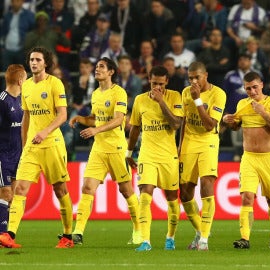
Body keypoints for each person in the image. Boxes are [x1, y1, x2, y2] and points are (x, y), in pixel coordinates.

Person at [0, 47, 74, 248]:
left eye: (37, 60)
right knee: (20, 189)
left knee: (60, 190)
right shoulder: (27, 86)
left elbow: (62, 115)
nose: (33, 63)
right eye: (31, 59)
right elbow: (26, 117)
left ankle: (68, 236)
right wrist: (24, 146)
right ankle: (9, 235)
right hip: (32, 148)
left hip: (52, 145)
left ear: (46, 63)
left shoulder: (55, 84)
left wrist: (45, 132)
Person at [68, 57, 141, 245]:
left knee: (126, 191)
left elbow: (119, 120)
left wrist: (96, 130)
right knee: (87, 188)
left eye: (101, 67)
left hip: (116, 148)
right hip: (98, 148)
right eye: (97, 66)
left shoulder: (119, 93)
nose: (97, 69)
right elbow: (96, 119)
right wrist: (80, 119)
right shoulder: (95, 94)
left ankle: (138, 231)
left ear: (111, 72)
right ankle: (78, 233)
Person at [222, 71, 270, 249]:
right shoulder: (242, 104)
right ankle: (245, 238)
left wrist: (263, 113)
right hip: (249, 158)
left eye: (255, 87)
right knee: (247, 197)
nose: (252, 91)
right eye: (248, 88)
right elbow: (236, 127)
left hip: (269, 158)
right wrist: (229, 121)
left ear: (262, 85)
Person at [126, 65, 183, 251]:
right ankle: (145, 241)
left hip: (168, 156)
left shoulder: (175, 97)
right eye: (154, 83)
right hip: (147, 155)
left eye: (160, 83)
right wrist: (129, 153)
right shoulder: (140, 100)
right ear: (149, 80)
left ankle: (170, 237)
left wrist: (161, 102)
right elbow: (135, 128)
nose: (157, 87)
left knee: (172, 199)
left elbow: (176, 124)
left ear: (166, 81)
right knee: (144, 196)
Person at [179, 61, 226, 251]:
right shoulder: (185, 93)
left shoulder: (218, 94)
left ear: (205, 75)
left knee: (206, 186)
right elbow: (184, 120)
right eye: (190, 78)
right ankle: (200, 230)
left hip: (208, 142)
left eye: (196, 77)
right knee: (185, 193)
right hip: (188, 143)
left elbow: (209, 125)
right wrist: (179, 146)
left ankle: (204, 239)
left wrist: (198, 100)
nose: (193, 81)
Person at [0, 65, 27, 235]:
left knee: (14, 197)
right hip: (3, 155)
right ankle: (2, 233)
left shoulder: (23, 101)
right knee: (6, 193)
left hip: (19, 155)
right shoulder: (2, 100)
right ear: (20, 80)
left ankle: (7, 234)